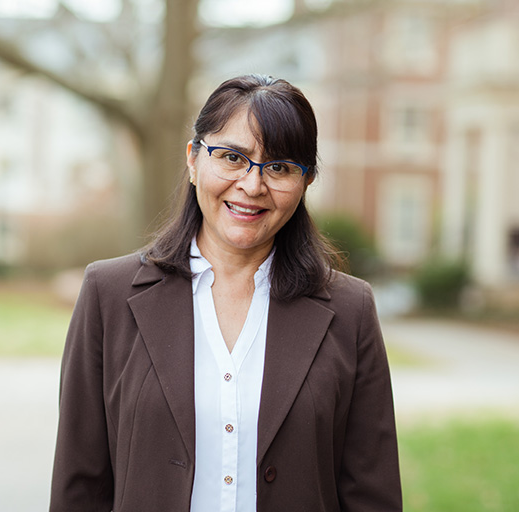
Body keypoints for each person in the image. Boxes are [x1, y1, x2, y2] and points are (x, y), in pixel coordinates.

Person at [49, 74, 401, 512]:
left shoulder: (351, 311)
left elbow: (372, 495)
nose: (253, 186)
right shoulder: (108, 295)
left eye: (280, 167)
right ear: (194, 160)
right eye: (233, 157)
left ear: (306, 182)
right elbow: (79, 485)